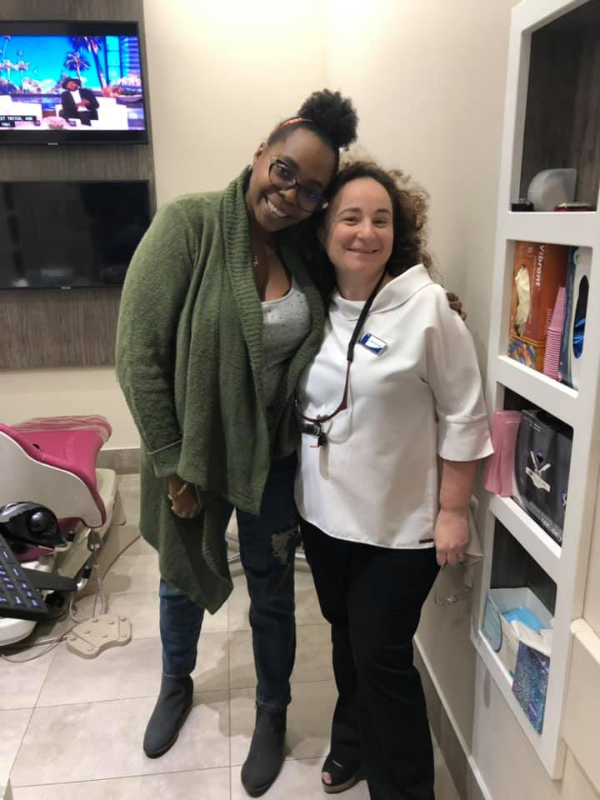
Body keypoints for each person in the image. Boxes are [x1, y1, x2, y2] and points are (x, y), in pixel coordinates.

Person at [116, 90, 359, 797]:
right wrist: (169, 465)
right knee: (180, 574)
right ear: (261, 153)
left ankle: (272, 713)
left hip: (274, 453)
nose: (291, 196)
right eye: (285, 172)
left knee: (274, 587)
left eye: (311, 191)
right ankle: (174, 682)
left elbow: (358, 273)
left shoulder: (301, 248)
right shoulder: (187, 225)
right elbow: (137, 356)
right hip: (193, 453)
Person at [295, 160, 493, 799]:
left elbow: (466, 413)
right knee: (346, 635)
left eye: (381, 219)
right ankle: (350, 741)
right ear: (325, 227)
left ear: (397, 232)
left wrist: (454, 511)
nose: (365, 231)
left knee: (382, 656)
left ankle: (405, 789)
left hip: (400, 526)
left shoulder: (427, 308)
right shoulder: (312, 306)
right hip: (324, 517)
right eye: (350, 217)